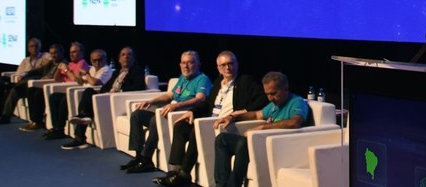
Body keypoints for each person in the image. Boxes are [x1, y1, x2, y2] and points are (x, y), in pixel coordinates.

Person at [153, 51, 268, 186]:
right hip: (210, 121)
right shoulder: (219, 82)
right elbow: (207, 102)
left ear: (237, 64)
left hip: (225, 124)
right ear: (218, 68)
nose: (228, 68)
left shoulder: (245, 81)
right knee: (181, 126)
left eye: (231, 64)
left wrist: (241, 112)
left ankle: (184, 174)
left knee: (197, 129)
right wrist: (193, 112)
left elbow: (263, 99)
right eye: (223, 65)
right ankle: (175, 171)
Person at [122, 50, 212, 174]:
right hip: (168, 112)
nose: (186, 66)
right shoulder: (182, 78)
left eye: (190, 63)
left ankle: (146, 159)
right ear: (180, 64)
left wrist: (176, 106)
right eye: (184, 63)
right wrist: (152, 101)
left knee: (156, 119)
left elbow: (200, 99)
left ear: (198, 64)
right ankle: (138, 156)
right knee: (137, 115)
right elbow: (170, 95)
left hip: (181, 114)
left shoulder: (202, 79)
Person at [213, 71, 309, 187]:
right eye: (267, 94)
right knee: (222, 139)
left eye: (273, 93)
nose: (270, 98)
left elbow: (295, 122)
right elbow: (256, 115)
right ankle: (221, 185)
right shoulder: (275, 104)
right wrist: (232, 117)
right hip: (259, 142)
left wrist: (263, 127)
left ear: (285, 88)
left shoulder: (296, 102)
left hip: (279, 146)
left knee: (244, 143)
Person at [61, 46, 146, 150]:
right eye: (123, 55)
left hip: (118, 99)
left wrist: (119, 91)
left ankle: (80, 133)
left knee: (89, 97)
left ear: (134, 58)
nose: (126, 57)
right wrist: (100, 92)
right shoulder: (117, 72)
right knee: (89, 91)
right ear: (119, 59)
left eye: (129, 55)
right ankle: (82, 119)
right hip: (107, 97)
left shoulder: (137, 71)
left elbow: (138, 87)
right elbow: (106, 86)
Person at [43, 48, 114, 140]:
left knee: (65, 99)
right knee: (54, 97)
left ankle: (60, 129)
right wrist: (79, 76)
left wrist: (86, 74)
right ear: (91, 60)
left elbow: (95, 83)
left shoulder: (106, 70)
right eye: (94, 60)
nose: (97, 62)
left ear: (105, 59)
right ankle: (56, 128)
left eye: (100, 59)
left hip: (91, 95)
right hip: (81, 91)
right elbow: (80, 81)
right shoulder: (92, 69)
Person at [19, 41, 90, 132]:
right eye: (70, 52)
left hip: (71, 89)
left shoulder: (82, 63)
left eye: (74, 52)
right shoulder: (71, 64)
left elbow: (75, 80)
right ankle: (39, 122)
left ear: (81, 53)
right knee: (33, 90)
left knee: (46, 96)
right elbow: (57, 79)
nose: (71, 54)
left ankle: (56, 128)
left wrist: (65, 69)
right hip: (62, 86)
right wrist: (58, 69)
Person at [0, 43, 65, 126]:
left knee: (27, 87)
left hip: (45, 86)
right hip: (38, 83)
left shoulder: (64, 63)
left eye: (55, 53)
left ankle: (34, 121)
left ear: (62, 52)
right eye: (51, 53)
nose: (53, 55)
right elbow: (38, 70)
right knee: (14, 90)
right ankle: (5, 116)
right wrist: (25, 74)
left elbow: (56, 79)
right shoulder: (51, 62)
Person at [0, 37, 52, 118]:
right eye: (32, 46)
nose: (34, 48)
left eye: (36, 46)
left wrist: (33, 71)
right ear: (28, 49)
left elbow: (52, 61)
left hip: (33, 82)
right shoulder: (25, 60)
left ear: (40, 47)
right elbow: (19, 74)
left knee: (11, 88)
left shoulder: (45, 56)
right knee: (2, 81)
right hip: (21, 81)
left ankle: (1, 112)